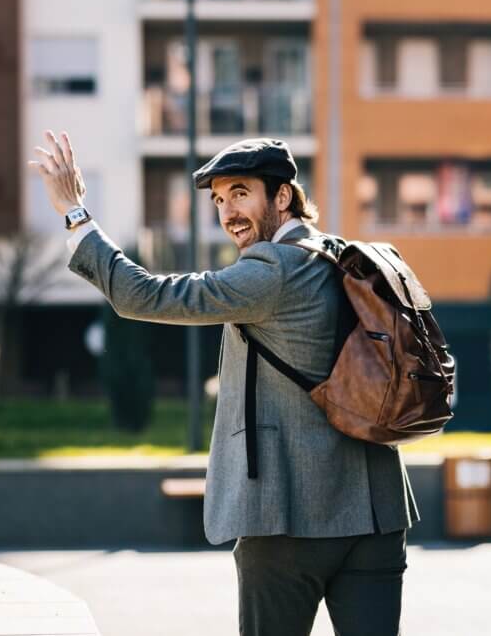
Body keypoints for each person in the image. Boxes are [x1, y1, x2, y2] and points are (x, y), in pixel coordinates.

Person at [29, 130, 418, 636]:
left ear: (283, 196)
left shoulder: (273, 268)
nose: (228, 212)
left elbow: (142, 295)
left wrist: (76, 213)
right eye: (218, 200)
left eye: (240, 193)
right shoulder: (341, 256)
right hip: (378, 510)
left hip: (288, 515)